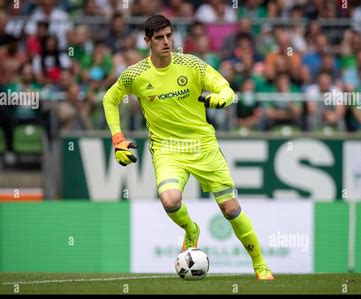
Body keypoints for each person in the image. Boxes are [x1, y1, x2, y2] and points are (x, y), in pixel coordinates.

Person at [103, 15, 274, 280]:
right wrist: (117, 139)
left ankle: (260, 265)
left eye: (169, 36)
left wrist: (221, 98)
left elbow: (226, 89)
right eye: (159, 38)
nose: (166, 42)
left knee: (230, 209)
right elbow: (109, 99)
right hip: (167, 148)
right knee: (170, 199)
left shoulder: (191, 64)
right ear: (147, 41)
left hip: (203, 145)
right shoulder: (135, 75)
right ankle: (191, 229)